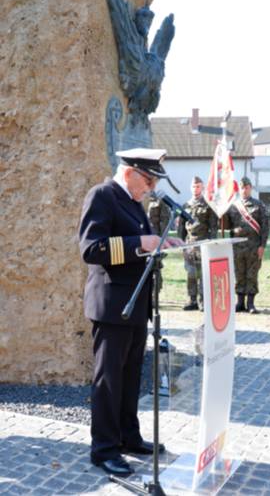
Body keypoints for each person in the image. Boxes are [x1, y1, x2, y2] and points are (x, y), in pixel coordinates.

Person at [79, 147, 182, 477]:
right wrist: (142, 243)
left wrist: (157, 245)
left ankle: (128, 436)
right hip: (112, 307)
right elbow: (91, 249)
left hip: (136, 306)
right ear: (130, 172)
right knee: (108, 382)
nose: (151, 187)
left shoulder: (134, 203)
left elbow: (140, 247)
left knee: (129, 379)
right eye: (149, 179)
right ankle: (104, 449)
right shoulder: (102, 195)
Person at [225, 177, 270, 314]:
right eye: (242, 187)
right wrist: (224, 217)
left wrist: (262, 245)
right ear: (239, 189)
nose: (244, 190)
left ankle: (250, 303)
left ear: (250, 188)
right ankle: (240, 303)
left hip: (253, 246)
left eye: (247, 187)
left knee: (251, 274)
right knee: (239, 274)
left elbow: (265, 226)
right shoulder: (233, 206)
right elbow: (227, 226)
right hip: (238, 246)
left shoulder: (259, 205)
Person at [177, 176, 218, 311]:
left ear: (203, 187)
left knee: (203, 274)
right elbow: (181, 227)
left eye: (198, 186)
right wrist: (181, 243)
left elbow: (213, 226)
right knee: (191, 273)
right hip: (189, 244)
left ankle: (203, 301)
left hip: (203, 243)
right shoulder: (185, 205)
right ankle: (192, 299)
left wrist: (211, 242)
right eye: (194, 186)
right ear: (191, 188)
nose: (196, 189)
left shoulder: (208, 205)